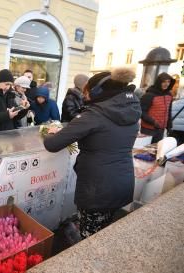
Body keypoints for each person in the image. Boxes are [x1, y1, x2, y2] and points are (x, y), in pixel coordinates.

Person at [43, 67, 141, 239]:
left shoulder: (94, 114)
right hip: (121, 183)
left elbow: (53, 144)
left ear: (97, 91)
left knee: (90, 238)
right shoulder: (131, 109)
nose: (85, 97)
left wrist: (49, 132)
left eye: (87, 92)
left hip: (96, 189)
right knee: (105, 230)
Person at [140, 72, 175, 143]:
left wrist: (169, 126)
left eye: (168, 81)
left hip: (160, 130)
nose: (166, 84)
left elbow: (169, 111)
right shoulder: (149, 95)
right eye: (164, 82)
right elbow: (141, 111)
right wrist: (153, 122)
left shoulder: (169, 95)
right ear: (159, 82)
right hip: (148, 129)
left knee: (155, 150)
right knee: (144, 151)